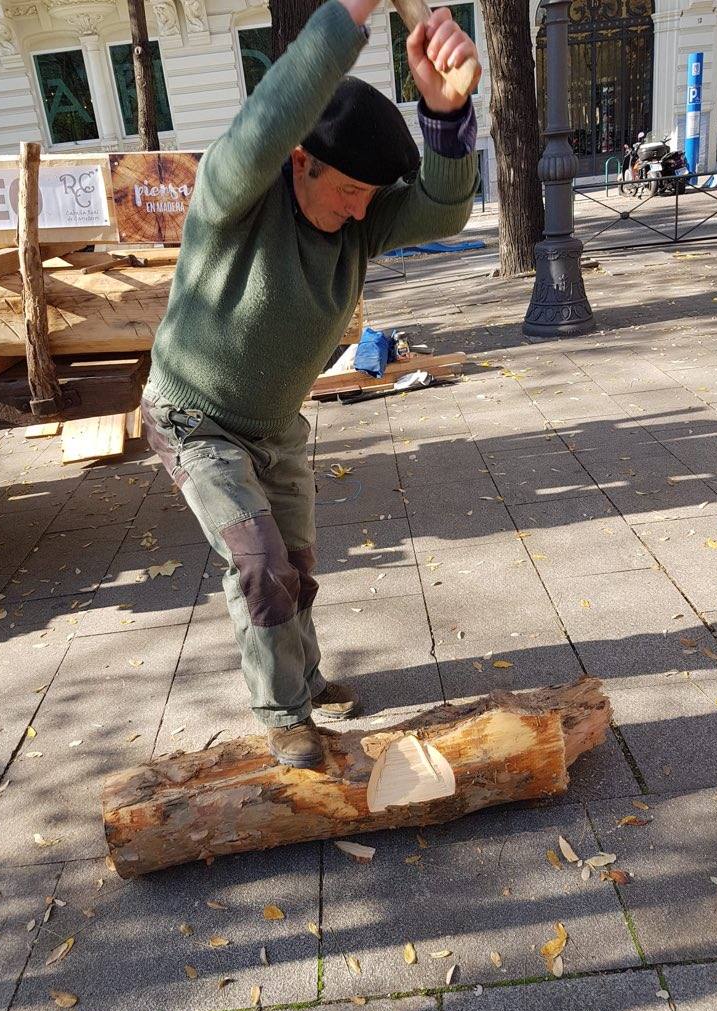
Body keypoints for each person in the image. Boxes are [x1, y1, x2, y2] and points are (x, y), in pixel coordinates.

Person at [141, 0, 481, 768]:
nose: (361, 210)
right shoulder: (235, 198)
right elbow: (271, 113)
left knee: (297, 564)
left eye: (369, 197)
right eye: (348, 191)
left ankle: (306, 675)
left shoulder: (358, 219)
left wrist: (445, 113)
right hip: (192, 417)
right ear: (302, 161)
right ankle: (284, 715)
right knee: (258, 561)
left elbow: (443, 206)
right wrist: (351, 14)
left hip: (274, 424)